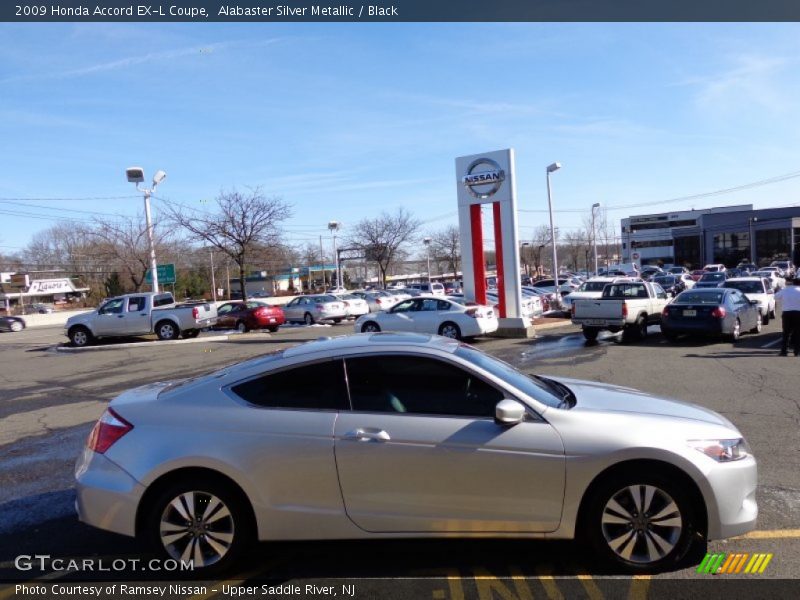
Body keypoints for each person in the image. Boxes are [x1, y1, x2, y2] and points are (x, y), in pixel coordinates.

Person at [775, 277, 800, 356]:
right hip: (798, 313)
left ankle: (784, 351)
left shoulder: (785, 290)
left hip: (786, 313)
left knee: (786, 333)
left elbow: (775, 297)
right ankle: (797, 351)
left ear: (792, 283)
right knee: (798, 332)